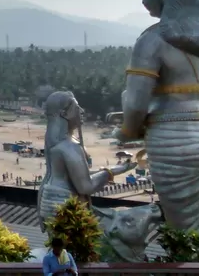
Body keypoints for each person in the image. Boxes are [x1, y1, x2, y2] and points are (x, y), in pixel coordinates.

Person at [109, 0, 199, 261]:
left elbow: (135, 102)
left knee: (185, 235)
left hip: (175, 144)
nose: (143, 0)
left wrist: (126, 131)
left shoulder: (152, 40)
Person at [36, 91, 136, 230]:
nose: (82, 111)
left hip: (49, 200)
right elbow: (85, 187)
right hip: (66, 204)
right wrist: (110, 172)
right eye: (77, 107)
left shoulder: (54, 143)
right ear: (64, 113)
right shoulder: (69, 146)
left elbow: (72, 176)